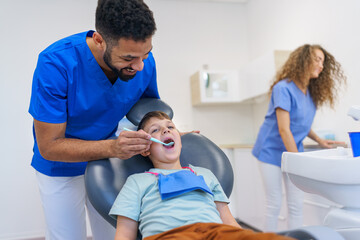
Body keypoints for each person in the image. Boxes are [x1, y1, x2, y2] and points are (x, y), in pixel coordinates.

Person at [28, 0, 160, 239]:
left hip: (110, 162)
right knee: (66, 236)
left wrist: (168, 132)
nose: (140, 66)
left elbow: (147, 112)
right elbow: (49, 146)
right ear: (100, 41)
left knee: (113, 234)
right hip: (61, 165)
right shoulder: (56, 63)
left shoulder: (143, 62)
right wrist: (113, 147)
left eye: (146, 54)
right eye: (129, 58)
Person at [109, 111, 295, 240]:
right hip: (170, 235)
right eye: (155, 130)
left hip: (215, 232)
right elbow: (125, 234)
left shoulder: (205, 174)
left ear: (179, 139)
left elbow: (228, 221)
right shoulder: (138, 182)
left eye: (170, 127)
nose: (165, 130)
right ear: (145, 150)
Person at [252, 44, 347, 232]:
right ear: (304, 60)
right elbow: (284, 129)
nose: (321, 65)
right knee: (274, 203)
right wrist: (297, 161)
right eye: (318, 59)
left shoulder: (310, 93)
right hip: (271, 152)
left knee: (296, 204)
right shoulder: (283, 88)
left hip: (293, 152)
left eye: (323, 61)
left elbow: (301, 124)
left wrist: (319, 140)